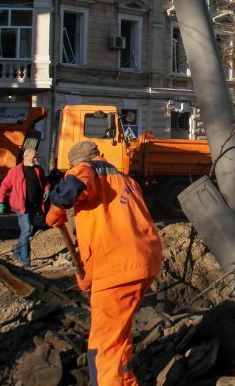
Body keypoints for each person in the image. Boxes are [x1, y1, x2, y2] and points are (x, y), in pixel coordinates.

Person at [46, 141, 162, 386]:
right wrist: (89, 276)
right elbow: (110, 227)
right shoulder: (125, 180)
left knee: (104, 344)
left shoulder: (88, 169)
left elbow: (72, 188)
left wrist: (56, 207)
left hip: (118, 268)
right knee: (118, 336)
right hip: (142, 261)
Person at [0, 147, 49, 268]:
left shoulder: (38, 170)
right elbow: (4, 186)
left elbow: (45, 182)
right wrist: (1, 202)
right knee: (27, 231)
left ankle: (16, 253)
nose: (36, 159)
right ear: (26, 157)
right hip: (21, 206)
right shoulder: (15, 171)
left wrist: (47, 190)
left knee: (27, 230)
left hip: (33, 205)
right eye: (34, 157)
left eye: (36, 156)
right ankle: (26, 261)